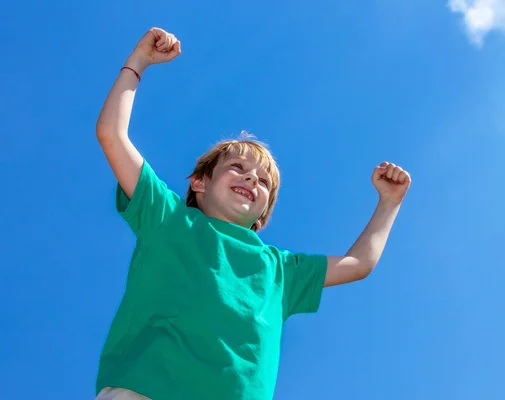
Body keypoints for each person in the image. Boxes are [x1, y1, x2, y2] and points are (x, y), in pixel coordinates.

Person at [94, 27, 411, 400]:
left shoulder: (280, 270)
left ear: (262, 213)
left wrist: (390, 202)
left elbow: (359, 263)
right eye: (238, 168)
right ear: (199, 183)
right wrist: (139, 61)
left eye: (263, 181)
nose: (251, 178)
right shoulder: (168, 217)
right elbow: (112, 134)